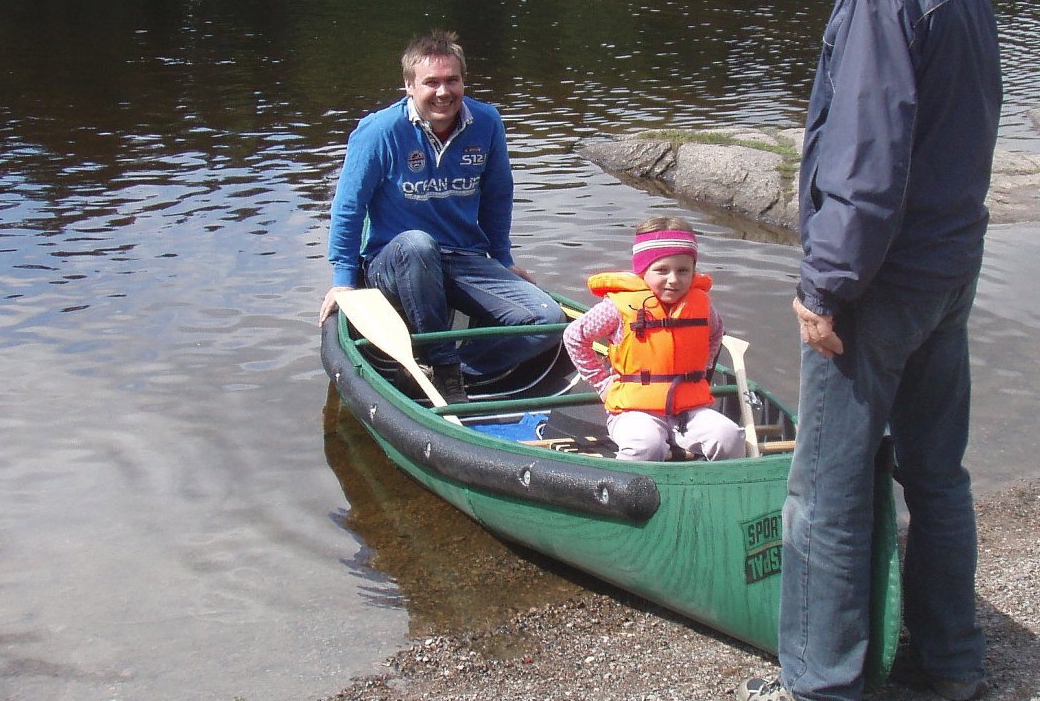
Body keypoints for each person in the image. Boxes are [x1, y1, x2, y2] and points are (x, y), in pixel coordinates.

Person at [737, 0, 1003, 701]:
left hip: (878, 281)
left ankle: (820, 686)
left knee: (828, 488)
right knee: (935, 472)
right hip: (948, 265)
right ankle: (950, 659)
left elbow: (865, 155)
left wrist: (825, 284)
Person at [318, 30, 563, 402]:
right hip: (394, 262)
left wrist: (502, 258)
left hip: (462, 258)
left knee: (547, 320)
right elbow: (349, 207)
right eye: (431, 82)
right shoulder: (379, 132)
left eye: (452, 80)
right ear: (409, 86)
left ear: (463, 81)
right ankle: (443, 366)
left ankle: (456, 370)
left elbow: (498, 195)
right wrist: (343, 280)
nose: (443, 92)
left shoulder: (487, 122)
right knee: (418, 245)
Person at [563, 218, 745, 462]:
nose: (674, 279)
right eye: (662, 270)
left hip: (689, 410)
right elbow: (574, 337)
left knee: (729, 435)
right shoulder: (616, 308)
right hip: (634, 411)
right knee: (645, 445)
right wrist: (602, 383)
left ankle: (722, 482)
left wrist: (703, 367)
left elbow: (715, 333)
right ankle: (629, 484)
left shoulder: (702, 305)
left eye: (683, 271)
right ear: (642, 271)